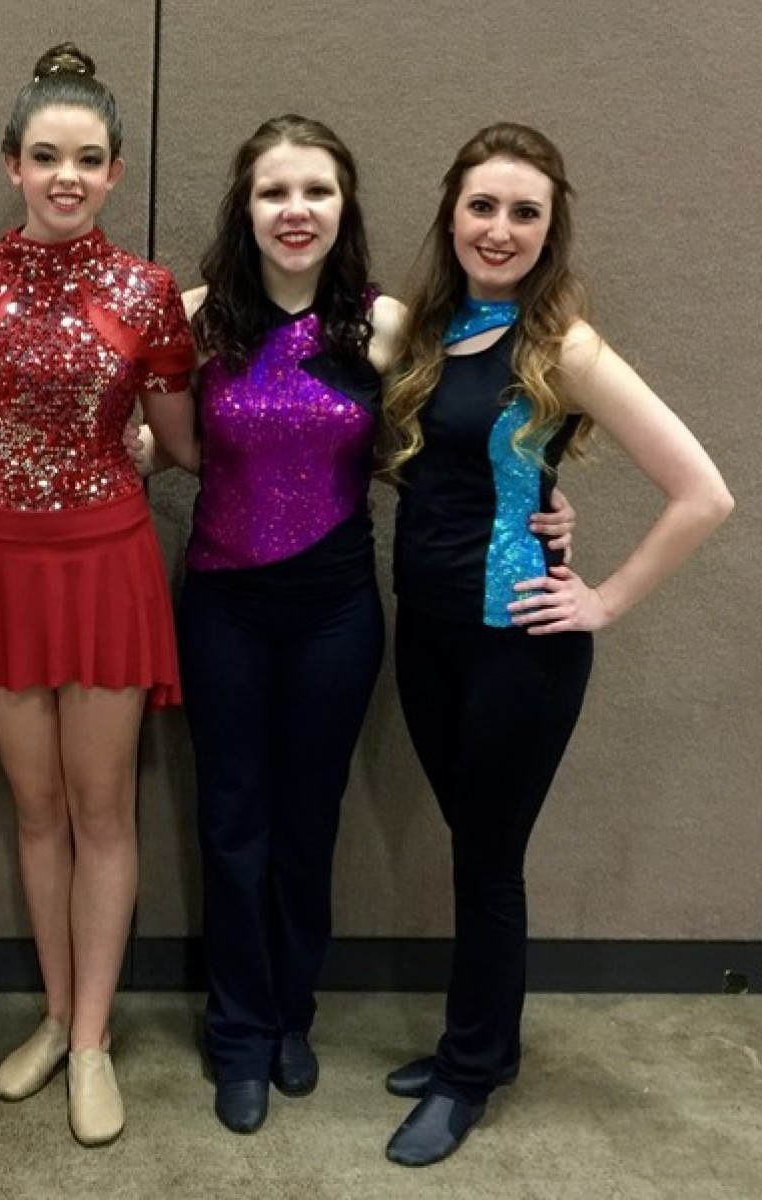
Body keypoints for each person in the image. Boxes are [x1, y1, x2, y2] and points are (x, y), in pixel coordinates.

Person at [135, 116, 573, 1136]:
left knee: (307, 821)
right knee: (231, 821)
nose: (296, 211)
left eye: (317, 192)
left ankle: (292, 1016)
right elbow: (169, 446)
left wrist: (551, 505)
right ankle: (238, 1032)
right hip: (224, 604)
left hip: (336, 610)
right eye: (274, 191)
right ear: (245, 208)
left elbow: (463, 444)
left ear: (345, 208)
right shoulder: (196, 319)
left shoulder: (388, 327)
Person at [378, 122, 733, 1167]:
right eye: (482, 206)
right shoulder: (430, 332)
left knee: (489, 863)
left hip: (517, 649)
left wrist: (604, 600)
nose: (500, 229)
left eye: (524, 212)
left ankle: (465, 1075)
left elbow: (703, 493)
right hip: (427, 632)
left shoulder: (564, 348)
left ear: (550, 229)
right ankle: (486, 1045)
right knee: (475, 849)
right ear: (451, 214)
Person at [0, 43, 195, 1146]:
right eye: (46, 157)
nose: (66, 177)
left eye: (88, 159)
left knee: (101, 809)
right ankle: (53, 1015)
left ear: (115, 170)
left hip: (105, 562)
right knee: (36, 812)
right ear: (13, 164)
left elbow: (183, 444)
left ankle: (91, 1040)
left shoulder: (148, 291)